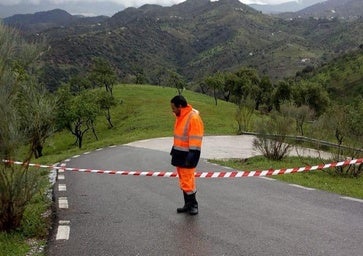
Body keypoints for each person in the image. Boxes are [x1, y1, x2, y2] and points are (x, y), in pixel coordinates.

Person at [170, 95, 204, 215]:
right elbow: (180, 136)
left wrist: (191, 156)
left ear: (180, 106)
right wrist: (174, 149)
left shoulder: (193, 118)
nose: (172, 110)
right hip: (179, 154)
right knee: (183, 180)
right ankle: (187, 204)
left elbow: (196, 140)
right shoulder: (181, 116)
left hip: (188, 155)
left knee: (188, 181)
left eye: (173, 108)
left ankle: (194, 204)